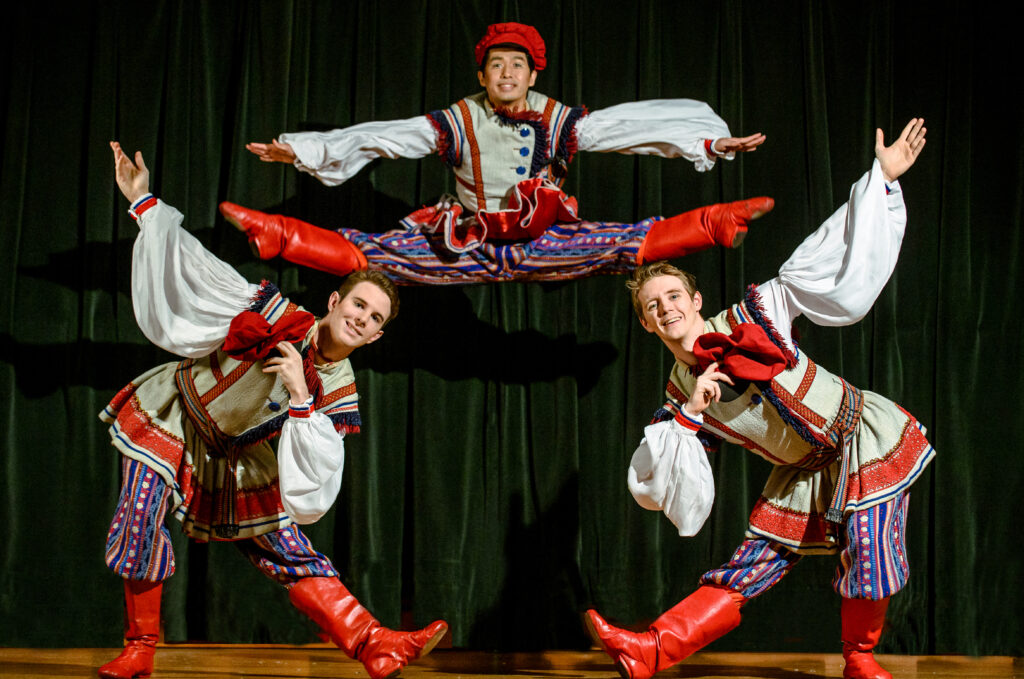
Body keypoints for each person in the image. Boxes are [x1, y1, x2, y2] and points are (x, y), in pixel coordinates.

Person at [585, 119, 932, 679]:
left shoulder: (757, 312)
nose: (665, 308)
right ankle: (649, 649)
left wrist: (880, 183)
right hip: (800, 471)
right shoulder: (678, 395)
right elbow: (665, 487)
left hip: (861, 437)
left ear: (695, 299)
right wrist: (693, 414)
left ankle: (859, 660)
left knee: (868, 545)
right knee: (753, 562)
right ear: (647, 326)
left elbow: (824, 253)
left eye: (673, 295)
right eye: (652, 306)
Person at [98, 142, 447, 679]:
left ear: (377, 336)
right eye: (357, 304)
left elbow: (316, 472)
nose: (361, 317)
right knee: (140, 515)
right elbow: (197, 266)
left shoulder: (339, 387)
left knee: (289, 545)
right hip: (173, 414)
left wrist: (302, 398)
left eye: (373, 317)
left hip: (235, 454)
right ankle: (140, 647)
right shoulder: (276, 311)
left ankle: (374, 642)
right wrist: (143, 200)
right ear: (335, 302)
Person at [222, 21, 771, 285]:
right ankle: (279, 235)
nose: (506, 74)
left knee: (624, 245)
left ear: (533, 73)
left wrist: (708, 143)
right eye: (495, 66)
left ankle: (714, 221)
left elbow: (628, 130)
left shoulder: (560, 120)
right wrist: (301, 150)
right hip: (465, 243)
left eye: (517, 65)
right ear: (482, 74)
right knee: (375, 257)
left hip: (543, 241)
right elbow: (381, 137)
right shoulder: (455, 120)